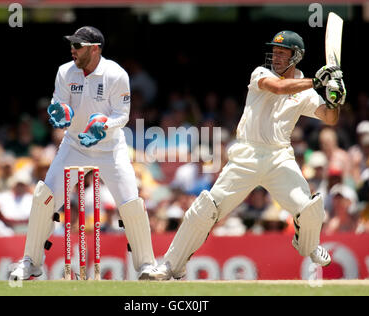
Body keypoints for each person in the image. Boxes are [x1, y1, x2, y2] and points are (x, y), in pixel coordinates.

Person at [148, 30, 346, 280]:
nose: (275, 57)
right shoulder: (261, 74)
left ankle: (308, 245)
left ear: (296, 57)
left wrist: (335, 98)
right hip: (247, 154)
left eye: (282, 53)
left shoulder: (304, 90)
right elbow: (278, 88)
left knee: (309, 207)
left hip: (279, 156)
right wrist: (318, 82)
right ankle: (170, 266)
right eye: (274, 52)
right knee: (206, 208)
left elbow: (330, 118)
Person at [10, 26, 156, 280]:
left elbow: (122, 115)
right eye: (72, 44)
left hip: (110, 148)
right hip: (74, 145)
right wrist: (58, 112)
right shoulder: (65, 72)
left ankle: (146, 265)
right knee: (44, 198)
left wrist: (104, 126)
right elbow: (60, 104)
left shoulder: (116, 74)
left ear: (94, 48)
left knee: (131, 203)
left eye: (78, 46)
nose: (72, 50)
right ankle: (31, 262)